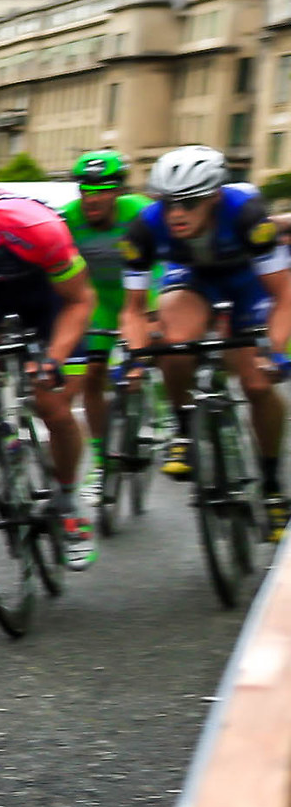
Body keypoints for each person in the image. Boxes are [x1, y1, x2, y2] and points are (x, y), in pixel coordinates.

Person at [117, 145, 291, 533]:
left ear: (214, 196)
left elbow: (284, 296)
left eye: (190, 203)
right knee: (175, 344)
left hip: (248, 282)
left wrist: (273, 352)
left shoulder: (247, 217)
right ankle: (183, 430)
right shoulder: (145, 228)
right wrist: (137, 355)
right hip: (192, 278)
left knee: (258, 384)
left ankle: (272, 482)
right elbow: (132, 310)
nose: (177, 214)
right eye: (168, 203)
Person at [0, 159, 98, 561]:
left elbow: (80, 300)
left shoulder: (36, 225)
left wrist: (54, 358)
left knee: (53, 404)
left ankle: (67, 501)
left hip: (45, 297)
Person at [61, 150, 154, 490]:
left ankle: (158, 419)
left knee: (145, 356)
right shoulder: (68, 218)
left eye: (102, 189)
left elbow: (163, 259)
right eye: (86, 189)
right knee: (93, 374)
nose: (92, 197)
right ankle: (101, 460)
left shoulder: (140, 212)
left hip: (143, 291)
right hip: (99, 298)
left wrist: (153, 316)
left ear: (118, 191)